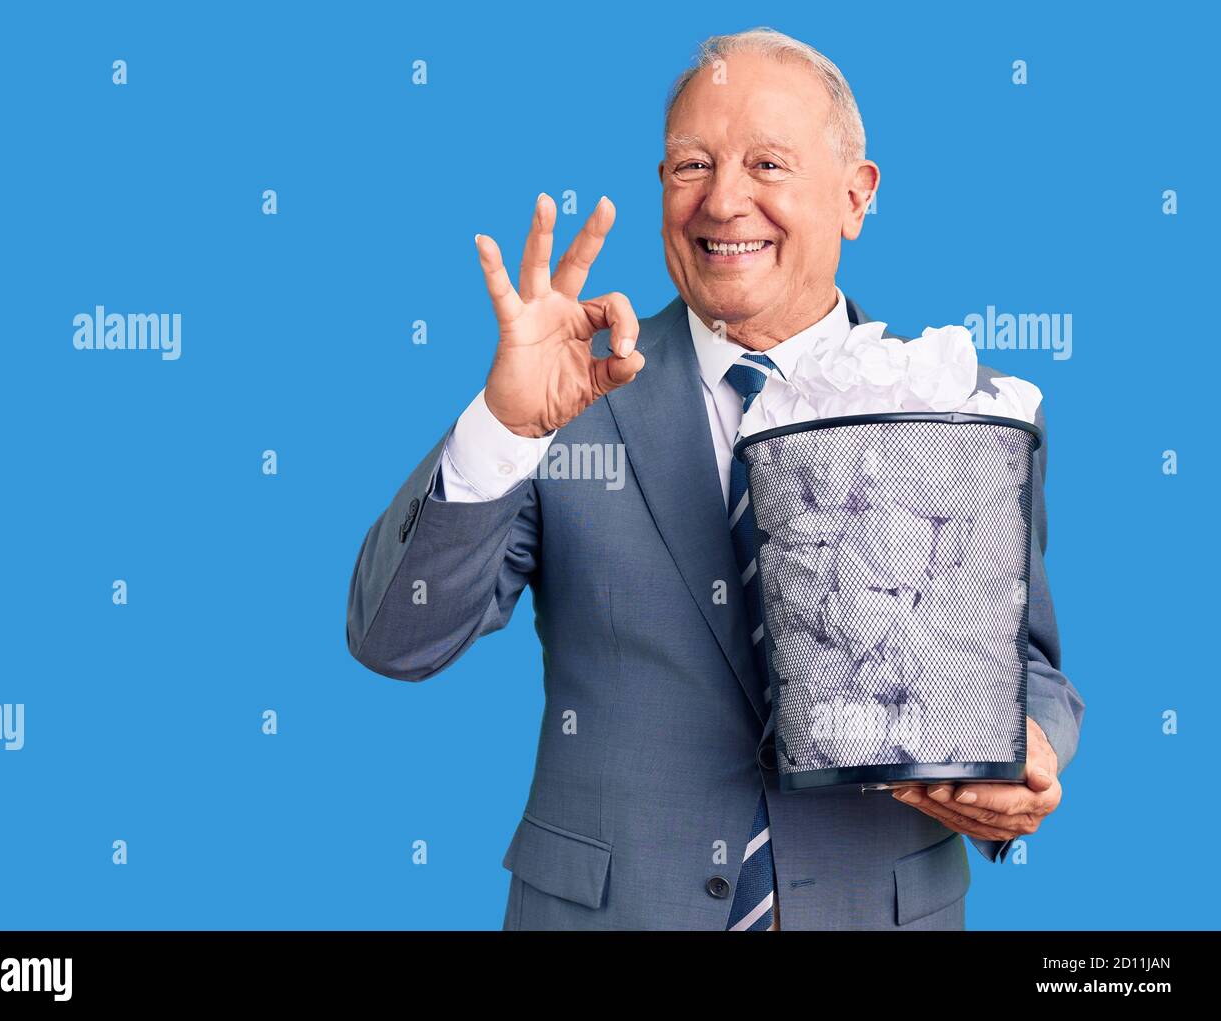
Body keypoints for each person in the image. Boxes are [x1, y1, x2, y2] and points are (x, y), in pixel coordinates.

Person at [346, 26, 1084, 930]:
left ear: (857, 196)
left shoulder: (959, 406)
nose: (724, 202)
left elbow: (1028, 662)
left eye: (768, 164)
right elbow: (396, 638)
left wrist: (1032, 747)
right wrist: (504, 427)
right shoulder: (574, 392)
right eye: (691, 165)